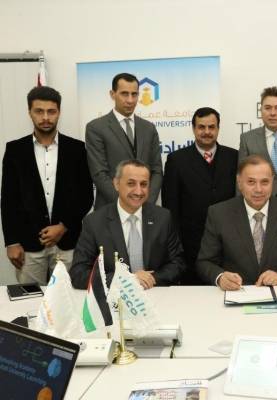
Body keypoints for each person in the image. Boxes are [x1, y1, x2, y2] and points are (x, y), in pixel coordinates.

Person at [1, 86, 93, 285]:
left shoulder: (76, 149)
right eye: (39, 111)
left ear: (59, 112)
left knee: (69, 298)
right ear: (30, 112)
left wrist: (63, 226)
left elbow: (85, 195)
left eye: (51, 111)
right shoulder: (15, 150)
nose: (45, 117)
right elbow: (8, 199)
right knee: (30, 299)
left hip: (68, 242)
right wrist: (12, 242)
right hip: (28, 245)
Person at [196, 154, 277, 290]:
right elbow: (205, 262)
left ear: (272, 182)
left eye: (265, 182)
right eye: (251, 182)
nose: (258, 189)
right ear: (239, 182)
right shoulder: (219, 214)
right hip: (237, 294)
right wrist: (220, 277)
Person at [70, 160, 185, 290]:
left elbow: (178, 263)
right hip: (114, 297)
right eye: (131, 184)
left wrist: (149, 279)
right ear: (116, 184)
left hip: (154, 293)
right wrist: (126, 279)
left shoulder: (163, 217)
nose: (138, 191)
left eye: (144, 184)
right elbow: (79, 274)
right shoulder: (94, 222)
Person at [162, 107, 238, 284]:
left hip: (228, 243)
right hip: (191, 246)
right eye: (201, 127)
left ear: (218, 128)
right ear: (193, 128)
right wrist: (177, 246)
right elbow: (171, 206)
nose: (207, 132)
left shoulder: (234, 157)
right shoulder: (176, 160)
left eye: (211, 127)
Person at [85, 72, 163, 209]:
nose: (130, 100)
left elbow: (156, 171)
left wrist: (146, 203)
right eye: (124, 94)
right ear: (112, 94)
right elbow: (99, 174)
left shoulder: (149, 128)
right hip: (110, 209)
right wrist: (126, 205)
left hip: (145, 209)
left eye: (134, 94)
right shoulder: (96, 128)